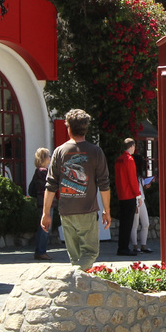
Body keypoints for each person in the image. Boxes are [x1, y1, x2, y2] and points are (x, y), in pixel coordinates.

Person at [41, 109, 111, 271]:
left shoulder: (59, 151)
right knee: (90, 253)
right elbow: (104, 184)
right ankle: (73, 277)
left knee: (75, 256)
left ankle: (76, 286)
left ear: (68, 128)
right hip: (87, 210)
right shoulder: (95, 152)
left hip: (66, 211)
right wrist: (107, 210)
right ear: (86, 128)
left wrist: (45, 213)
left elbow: (51, 184)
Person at [113, 137, 141, 257]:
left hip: (121, 194)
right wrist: (138, 194)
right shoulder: (129, 159)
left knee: (124, 222)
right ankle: (124, 248)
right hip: (129, 194)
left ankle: (122, 246)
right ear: (132, 146)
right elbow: (132, 178)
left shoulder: (119, 159)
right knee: (128, 223)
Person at [28, 147, 52, 260]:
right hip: (45, 203)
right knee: (45, 228)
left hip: (40, 203)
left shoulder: (37, 171)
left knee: (43, 227)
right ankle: (41, 251)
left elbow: (31, 190)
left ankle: (40, 250)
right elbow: (48, 189)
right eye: (48, 156)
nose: (50, 158)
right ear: (44, 158)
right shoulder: (44, 172)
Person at [132, 172, 153, 254]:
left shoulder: (139, 177)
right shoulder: (133, 174)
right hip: (135, 200)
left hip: (142, 200)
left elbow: (142, 186)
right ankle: (135, 246)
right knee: (135, 224)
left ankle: (143, 245)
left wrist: (146, 185)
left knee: (146, 223)